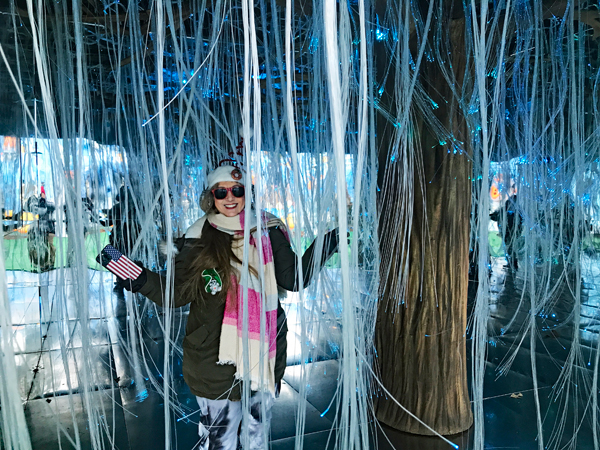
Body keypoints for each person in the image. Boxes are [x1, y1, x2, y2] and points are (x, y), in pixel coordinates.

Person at [116, 164, 340, 449]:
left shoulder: (268, 229)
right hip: (214, 358)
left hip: (263, 354)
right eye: (221, 192)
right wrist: (133, 274)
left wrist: (325, 243)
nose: (230, 197)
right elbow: (176, 293)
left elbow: (292, 278)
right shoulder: (198, 237)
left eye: (237, 190)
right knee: (219, 437)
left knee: (257, 432)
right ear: (211, 196)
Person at [491, 193, 522, 270]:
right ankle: (513, 263)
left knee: (510, 248)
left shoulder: (511, 210)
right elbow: (496, 216)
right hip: (509, 232)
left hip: (509, 232)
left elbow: (496, 216)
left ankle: (513, 264)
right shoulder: (514, 210)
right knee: (510, 248)